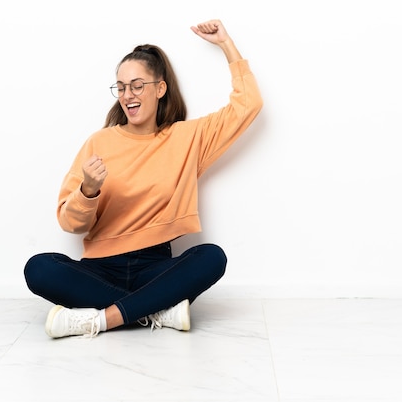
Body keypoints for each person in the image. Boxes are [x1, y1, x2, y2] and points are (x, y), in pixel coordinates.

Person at [23, 19, 263, 338]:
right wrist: (88, 190)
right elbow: (70, 223)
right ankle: (157, 310)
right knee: (39, 268)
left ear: (160, 89)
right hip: (100, 269)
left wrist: (226, 44)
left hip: (156, 267)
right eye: (121, 87)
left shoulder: (186, 139)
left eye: (137, 85)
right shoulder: (100, 142)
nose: (127, 95)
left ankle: (101, 319)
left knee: (211, 257)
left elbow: (248, 105)